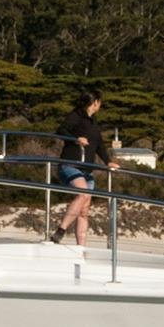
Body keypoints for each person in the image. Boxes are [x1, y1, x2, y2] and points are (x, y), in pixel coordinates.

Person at [51, 94, 111, 245]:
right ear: (94, 102)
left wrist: (108, 162)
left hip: (87, 170)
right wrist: (75, 139)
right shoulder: (76, 115)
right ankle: (61, 230)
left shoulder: (94, 122)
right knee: (83, 192)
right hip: (70, 165)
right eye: (99, 102)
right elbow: (61, 130)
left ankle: (81, 249)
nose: (100, 105)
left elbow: (99, 145)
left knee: (84, 212)